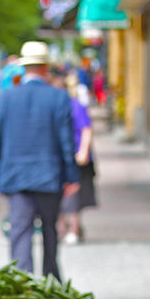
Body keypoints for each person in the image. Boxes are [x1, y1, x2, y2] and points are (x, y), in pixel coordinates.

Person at [0, 40, 79, 279]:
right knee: (51, 231)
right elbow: (66, 142)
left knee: (20, 232)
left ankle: (23, 285)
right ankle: (51, 282)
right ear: (45, 67)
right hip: (50, 176)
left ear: (24, 67)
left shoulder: (5, 98)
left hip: (16, 176)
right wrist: (71, 176)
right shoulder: (58, 98)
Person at [58, 72, 97, 245]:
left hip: (74, 156)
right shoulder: (62, 106)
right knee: (61, 196)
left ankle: (73, 229)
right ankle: (62, 229)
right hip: (61, 156)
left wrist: (82, 152)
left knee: (74, 196)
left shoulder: (74, 105)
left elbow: (86, 129)